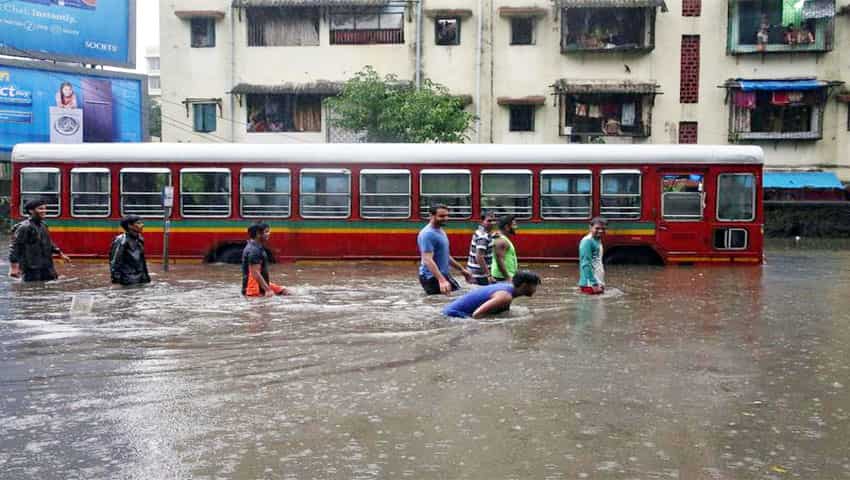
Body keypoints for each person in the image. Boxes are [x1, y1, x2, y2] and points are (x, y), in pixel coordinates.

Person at [9, 199, 71, 281]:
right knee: (32, 288)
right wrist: (14, 267)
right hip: (31, 268)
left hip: (47, 266)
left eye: (45, 208)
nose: (44, 211)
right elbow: (15, 246)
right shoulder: (24, 227)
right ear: (31, 211)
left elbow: (49, 242)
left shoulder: (43, 225)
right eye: (40, 209)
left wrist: (60, 253)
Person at [417, 204, 473, 295]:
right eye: (442, 216)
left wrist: (462, 270)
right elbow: (427, 259)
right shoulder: (427, 234)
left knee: (459, 296)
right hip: (431, 277)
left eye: (447, 215)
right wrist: (441, 280)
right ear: (431, 216)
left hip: (442, 274)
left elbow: (445, 255)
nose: (446, 218)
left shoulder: (440, 230)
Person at [443, 270, 541, 319]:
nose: (536, 289)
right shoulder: (505, 296)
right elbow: (476, 315)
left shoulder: (507, 289)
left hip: (450, 311)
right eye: (534, 285)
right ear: (524, 285)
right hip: (454, 315)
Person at [242, 223, 289, 297]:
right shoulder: (254, 250)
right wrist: (268, 290)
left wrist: (274, 288)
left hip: (259, 286)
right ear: (258, 234)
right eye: (266, 232)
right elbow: (255, 273)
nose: (269, 234)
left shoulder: (256, 247)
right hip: (253, 290)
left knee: (285, 291)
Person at [109, 215, 151, 286]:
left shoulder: (140, 239)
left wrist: (146, 278)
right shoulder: (121, 240)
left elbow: (142, 262)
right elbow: (115, 262)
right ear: (130, 226)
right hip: (128, 281)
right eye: (138, 223)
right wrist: (116, 281)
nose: (142, 225)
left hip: (141, 279)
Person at [466, 211, 497, 286]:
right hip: (479, 275)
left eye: (494, 220)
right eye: (489, 221)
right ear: (482, 221)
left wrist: (492, 236)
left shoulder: (480, 232)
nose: (492, 223)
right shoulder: (483, 237)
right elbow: (479, 257)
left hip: (474, 273)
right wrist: (488, 275)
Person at [578, 217, 607, 295]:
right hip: (590, 284)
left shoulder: (597, 239)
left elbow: (597, 261)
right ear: (590, 227)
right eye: (597, 228)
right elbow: (585, 264)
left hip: (597, 282)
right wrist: (594, 284)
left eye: (603, 229)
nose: (600, 231)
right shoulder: (587, 242)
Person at [491, 215, 519, 283]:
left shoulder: (502, 239)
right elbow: (499, 261)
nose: (516, 227)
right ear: (507, 227)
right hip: (502, 278)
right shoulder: (501, 241)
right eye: (514, 225)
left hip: (504, 277)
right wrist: (508, 278)